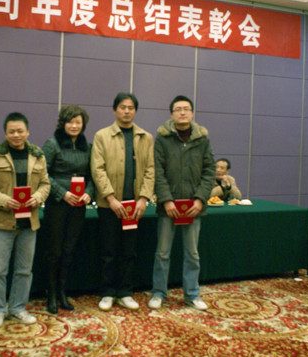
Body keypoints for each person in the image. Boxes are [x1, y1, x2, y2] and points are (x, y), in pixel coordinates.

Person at [0, 112, 50, 328]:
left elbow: (46, 184)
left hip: (29, 223)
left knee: (24, 270)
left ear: (28, 132)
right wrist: (3, 200)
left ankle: (18, 307)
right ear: (5, 133)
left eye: (20, 131)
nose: (16, 135)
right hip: (2, 222)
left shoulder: (38, 156)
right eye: (12, 131)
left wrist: (38, 197)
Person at [149, 96, 214, 311]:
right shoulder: (162, 139)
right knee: (162, 253)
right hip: (168, 208)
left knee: (192, 254)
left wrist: (200, 199)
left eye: (186, 109)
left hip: (194, 208)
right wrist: (167, 200)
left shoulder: (202, 140)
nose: (183, 112)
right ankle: (158, 293)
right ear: (172, 114)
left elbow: (209, 171)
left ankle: (192, 294)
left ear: (192, 113)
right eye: (178, 109)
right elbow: (158, 172)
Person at [91, 92, 154, 311]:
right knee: (108, 251)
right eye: (122, 107)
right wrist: (110, 198)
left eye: (130, 108)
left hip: (134, 205)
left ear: (135, 111)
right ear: (114, 110)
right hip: (109, 205)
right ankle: (108, 292)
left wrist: (143, 199)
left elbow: (150, 170)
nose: (126, 111)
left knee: (129, 251)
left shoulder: (145, 137)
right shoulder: (102, 136)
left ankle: (125, 292)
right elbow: (97, 169)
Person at [42, 105, 94, 314]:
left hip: (78, 205)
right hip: (58, 204)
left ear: (83, 125)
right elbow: (42, 174)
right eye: (70, 122)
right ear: (63, 123)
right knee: (54, 250)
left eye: (78, 122)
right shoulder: (52, 144)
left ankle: (62, 292)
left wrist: (89, 193)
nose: (74, 126)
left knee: (69, 249)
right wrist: (63, 193)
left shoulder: (87, 147)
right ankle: (51, 294)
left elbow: (93, 175)